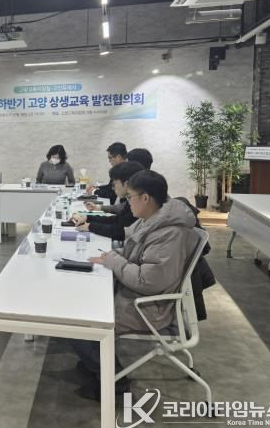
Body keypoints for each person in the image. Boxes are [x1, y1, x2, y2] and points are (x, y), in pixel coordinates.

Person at [70, 170, 199, 401]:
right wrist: (111, 256)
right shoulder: (153, 221)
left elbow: (146, 281)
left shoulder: (168, 233)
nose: (127, 203)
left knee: (81, 319)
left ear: (146, 198)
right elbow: (134, 251)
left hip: (149, 307)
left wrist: (113, 260)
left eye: (130, 197)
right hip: (135, 294)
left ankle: (114, 380)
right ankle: (96, 361)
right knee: (82, 302)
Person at [72, 161, 144, 241]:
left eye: (115, 184)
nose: (113, 188)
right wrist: (88, 218)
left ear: (126, 184)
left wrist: (90, 226)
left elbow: (121, 231)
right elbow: (117, 220)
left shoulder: (138, 204)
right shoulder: (131, 201)